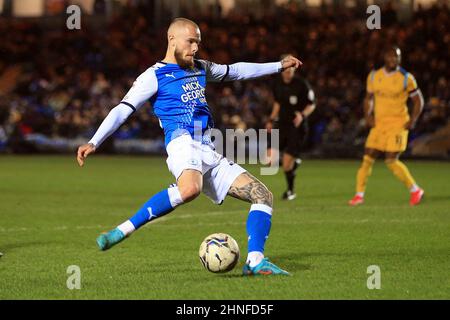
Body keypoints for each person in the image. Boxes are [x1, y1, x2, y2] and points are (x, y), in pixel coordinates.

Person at [77, 18, 302, 275]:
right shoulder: (154, 75)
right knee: (190, 190)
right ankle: (122, 230)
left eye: (198, 43)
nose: (195, 48)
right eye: (190, 41)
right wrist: (95, 140)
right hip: (182, 142)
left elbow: (237, 70)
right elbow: (123, 109)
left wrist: (277, 66)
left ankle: (255, 261)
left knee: (263, 195)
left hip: (208, 147)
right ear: (172, 39)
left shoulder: (201, 68)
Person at [348, 46, 425, 206]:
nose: (393, 60)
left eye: (396, 57)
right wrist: (368, 115)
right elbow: (368, 98)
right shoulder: (374, 76)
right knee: (367, 158)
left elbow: (418, 100)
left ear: (400, 58)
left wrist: (414, 119)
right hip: (379, 124)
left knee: (390, 160)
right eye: (391, 57)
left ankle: (415, 190)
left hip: (398, 124)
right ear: (385, 57)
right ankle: (359, 195)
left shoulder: (406, 78)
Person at [266, 54, 315, 200]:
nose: (288, 70)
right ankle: (293, 163)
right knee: (269, 160)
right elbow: (277, 103)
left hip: (296, 126)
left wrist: (302, 115)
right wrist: (271, 119)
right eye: (285, 66)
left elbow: (312, 104)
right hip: (281, 124)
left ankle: (290, 191)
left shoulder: (302, 84)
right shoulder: (277, 83)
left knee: (286, 164)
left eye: (291, 67)